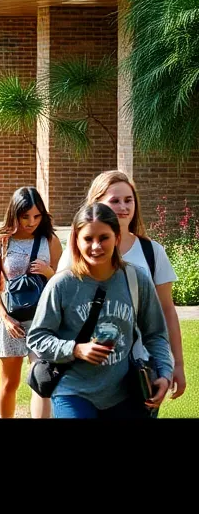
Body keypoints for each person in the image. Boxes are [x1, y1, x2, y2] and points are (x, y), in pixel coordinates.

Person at [27, 203, 172, 419]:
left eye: (104, 238)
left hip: (123, 392)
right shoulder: (62, 284)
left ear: (117, 238)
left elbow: (156, 334)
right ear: (76, 240)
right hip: (73, 390)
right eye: (88, 239)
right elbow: (37, 338)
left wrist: (164, 373)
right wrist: (75, 349)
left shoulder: (135, 279)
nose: (96, 246)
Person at [59, 170, 188, 400]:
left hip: (140, 368)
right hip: (87, 367)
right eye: (115, 201)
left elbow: (167, 311)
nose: (123, 207)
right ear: (96, 204)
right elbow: (60, 306)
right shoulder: (77, 251)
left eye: (128, 200)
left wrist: (176, 364)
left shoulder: (152, 252)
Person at [0, 186, 61, 419]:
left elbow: (64, 282)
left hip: (42, 319)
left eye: (37, 216)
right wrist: (5, 318)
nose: (31, 222)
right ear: (14, 214)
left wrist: (48, 272)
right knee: (10, 383)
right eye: (25, 216)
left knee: (42, 377)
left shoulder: (50, 240)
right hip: (10, 319)